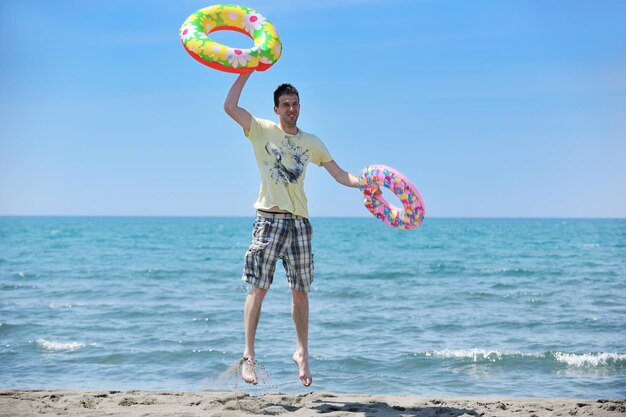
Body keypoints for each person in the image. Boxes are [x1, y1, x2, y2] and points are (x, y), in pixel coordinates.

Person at [224, 72, 360, 387]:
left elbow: (340, 175)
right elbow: (230, 106)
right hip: (269, 220)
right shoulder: (260, 129)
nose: (291, 109)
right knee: (258, 289)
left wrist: (366, 185)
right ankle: (249, 355)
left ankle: (301, 352)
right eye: (285, 104)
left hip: (299, 224)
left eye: (295, 104)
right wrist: (248, 70)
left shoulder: (312, 142)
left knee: (301, 293)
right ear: (276, 109)